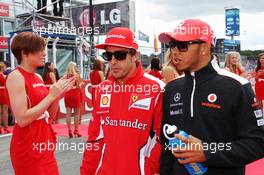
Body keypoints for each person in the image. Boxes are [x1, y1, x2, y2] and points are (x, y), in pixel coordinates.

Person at [158, 19, 264, 175]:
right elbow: (167, 145)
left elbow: (257, 143)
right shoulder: (172, 88)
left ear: (205, 47)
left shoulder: (237, 86)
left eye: (182, 45)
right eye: (172, 45)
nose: (174, 51)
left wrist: (208, 152)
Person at [80, 27, 165, 175]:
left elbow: (163, 138)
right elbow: (94, 137)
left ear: (135, 56)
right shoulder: (102, 89)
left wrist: (146, 169)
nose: (112, 61)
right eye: (108, 55)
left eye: (119, 55)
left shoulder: (157, 89)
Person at [6, 32, 75, 174]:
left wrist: (57, 94)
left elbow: (50, 115)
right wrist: (51, 96)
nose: (44, 54)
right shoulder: (16, 76)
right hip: (28, 146)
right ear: (25, 53)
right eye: (40, 50)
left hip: (44, 141)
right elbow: (22, 119)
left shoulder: (37, 76)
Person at [64, 61, 82, 138]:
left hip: (68, 94)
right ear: (73, 67)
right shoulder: (76, 75)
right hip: (75, 94)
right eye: (76, 66)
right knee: (76, 113)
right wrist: (80, 83)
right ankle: (76, 130)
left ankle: (69, 131)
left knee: (68, 113)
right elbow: (78, 86)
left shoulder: (65, 76)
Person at [0, 62, 10, 134]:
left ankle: (0, 128)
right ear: (2, 68)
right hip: (3, 92)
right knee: (5, 112)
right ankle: (6, 127)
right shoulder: (4, 76)